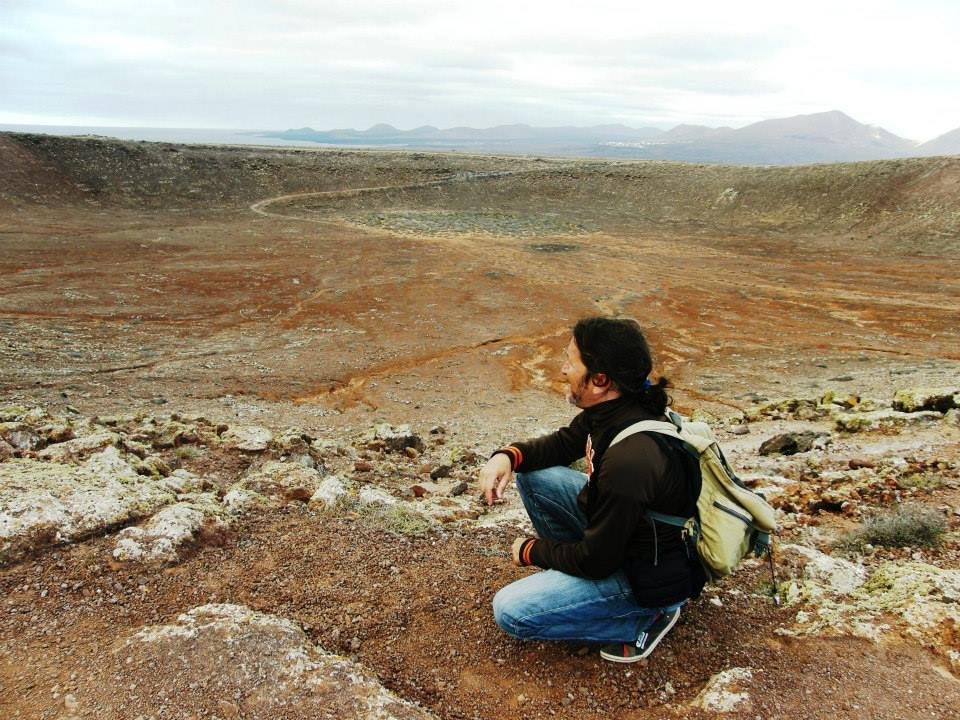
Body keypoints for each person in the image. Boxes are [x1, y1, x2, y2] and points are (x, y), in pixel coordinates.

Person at [479, 316, 704, 662]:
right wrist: (506, 457)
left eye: (571, 361)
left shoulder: (631, 461)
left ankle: (644, 617)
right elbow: (564, 443)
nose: (563, 369)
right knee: (533, 474)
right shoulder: (615, 409)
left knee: (511, 611)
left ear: (599, 380)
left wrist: (531, 551)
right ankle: (579, 588)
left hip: (645, 574)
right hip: (620, 540)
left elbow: (596, 560)